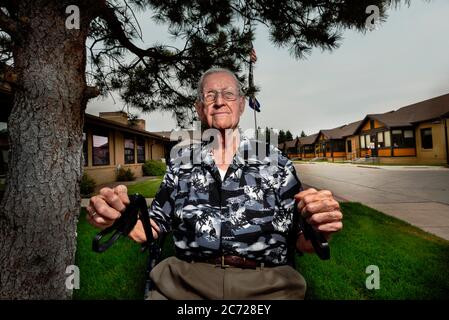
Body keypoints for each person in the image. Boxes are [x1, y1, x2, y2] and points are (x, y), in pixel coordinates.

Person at [87, 68, 343, 300]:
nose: (219, 101)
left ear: (242, 105)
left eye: (228, 94)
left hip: (268, 285)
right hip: (186, 283)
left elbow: (302, 239)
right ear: (200, 108)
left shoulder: (276, 162)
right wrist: (120, 216)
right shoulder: (180, 164)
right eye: (210, 95)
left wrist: (321, 225)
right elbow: (154, 226)